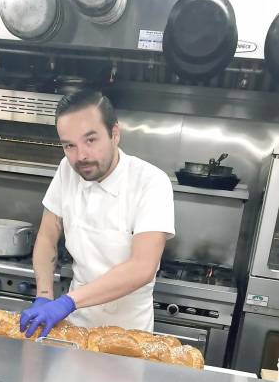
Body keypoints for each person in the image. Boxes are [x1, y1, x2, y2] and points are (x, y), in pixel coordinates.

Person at [20, 90, 175, 338]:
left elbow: (142, 267)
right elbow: (48, 236)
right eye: (69, 145)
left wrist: (67, 302)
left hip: (129, 335)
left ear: (115, 134)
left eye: (90, 140)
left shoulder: (151, 182)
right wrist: (44, 297)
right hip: (77, 328)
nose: (80, 156)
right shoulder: (67, 170)